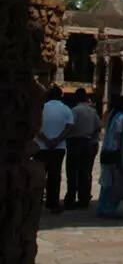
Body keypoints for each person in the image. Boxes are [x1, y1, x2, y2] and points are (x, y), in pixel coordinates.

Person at [34, 85, 74, 214]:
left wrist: (46, 140)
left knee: (39, 175)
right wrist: (57, 139)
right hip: (58, 147)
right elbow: (69, 127)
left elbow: (35, 126)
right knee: (55, 175)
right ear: (61, 96)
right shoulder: (66, 109)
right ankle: (53, 203)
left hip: (41, 146)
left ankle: (36, 202)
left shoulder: (41, 108)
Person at [64, 88, 101, 210]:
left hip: (75, 142)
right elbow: (98, 127)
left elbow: (69, 126)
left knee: (72, 171)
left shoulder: (74, 110)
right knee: (85, 172)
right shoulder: (93, 111)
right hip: (88, 142)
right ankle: (84, 199)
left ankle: (70, 198)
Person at [97, 95, 123, 218]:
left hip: (106, 150)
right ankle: (108, 208)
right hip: (114, 151)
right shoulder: (121, 117)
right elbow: (119, 136)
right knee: (113, 182)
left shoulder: (112, 115)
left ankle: (102, 206)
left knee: (106, 181)